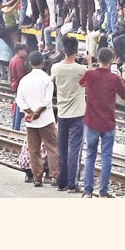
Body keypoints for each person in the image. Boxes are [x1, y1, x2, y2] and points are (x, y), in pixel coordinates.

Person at [78, 47, 125, 198]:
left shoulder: (90, 74)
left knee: (90, 156)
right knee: (106, 157)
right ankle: (103, 193)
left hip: (91, 121)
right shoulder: (114, 78)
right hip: (108, 123)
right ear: (112, 60)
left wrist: (89, 63)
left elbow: (82, 83)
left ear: (98, 59)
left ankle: (87, 192)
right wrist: (121, 77)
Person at [15, 51, 58, 188]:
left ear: (29, 63)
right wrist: (37, 113)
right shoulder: (47, 79)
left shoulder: (24, 80)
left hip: (30, 121)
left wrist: (30, 113)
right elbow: (47, 101)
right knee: (52, 147)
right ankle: (54, 176)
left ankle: (37, 178)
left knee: (34, 150)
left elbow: (19, 100)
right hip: (46, 119)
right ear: (43, 63)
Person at [49, 36, 86, 193]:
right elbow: (90, 78)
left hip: (62, 113)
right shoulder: (81, 70)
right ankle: (72, 183)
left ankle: (61, 182)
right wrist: (89, 61)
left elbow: (53, 83)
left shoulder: (55, 68)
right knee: (74, 149)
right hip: (78, 114)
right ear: (76, 51)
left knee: (62, 148)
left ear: (63, 50)